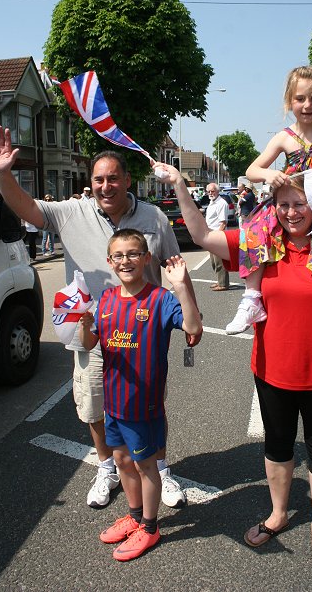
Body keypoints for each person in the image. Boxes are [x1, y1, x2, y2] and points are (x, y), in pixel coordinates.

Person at [154, 161, 312, 570]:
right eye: (284, 204)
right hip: (272, 369)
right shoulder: (262, 242)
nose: (292, 212)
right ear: (273, 207)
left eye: (301, 204)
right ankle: (278, 513)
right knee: (277, 447)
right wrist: (180, 186)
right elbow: (203, 235)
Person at [0, 126, 201, 510]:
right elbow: (26, 207)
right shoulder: (71, 212)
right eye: (98, 179)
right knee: (93, 406)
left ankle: (161, 469)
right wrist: (2, 173)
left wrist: (188, 317)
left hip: (143, 334)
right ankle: (107, 467)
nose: (105, 186)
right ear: (92, 182)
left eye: (113, 178)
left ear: (127, 180)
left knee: (151, 407)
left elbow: (175, 268)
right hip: (92, 331)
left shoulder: (153, 217)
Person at [225, 66, 312, 353]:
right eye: (300, 98)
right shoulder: (283, 137)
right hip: (291, 202)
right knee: (254, 226)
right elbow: (253, 169)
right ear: (290, 101)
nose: (307, 105)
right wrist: (268, 176)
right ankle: (252, 299)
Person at [79, 229, 202, 561]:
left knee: (146, 466)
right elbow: (92, 343)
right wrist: (83, 325)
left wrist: (181, 287)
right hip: (114, 404)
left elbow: (193, 329)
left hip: (144, 407)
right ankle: (134, 517)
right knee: (120, 460)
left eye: (133, 254)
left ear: (147, 259)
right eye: (119, 256)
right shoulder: (105, 300)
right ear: (110, 262)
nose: (126, 261)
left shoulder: (160, 299)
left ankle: (149, 527)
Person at [205, 183, 229, 291]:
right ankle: (219, 281)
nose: (210, 193)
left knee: (219, 261)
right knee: (214, 262)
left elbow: (223, 223)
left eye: (212, 191)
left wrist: (218, 237)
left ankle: (223, 284)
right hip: (210, 235)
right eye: (209, 191)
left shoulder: (221, 203)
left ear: (217, 191)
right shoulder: (212, 202)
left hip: (217, 236)